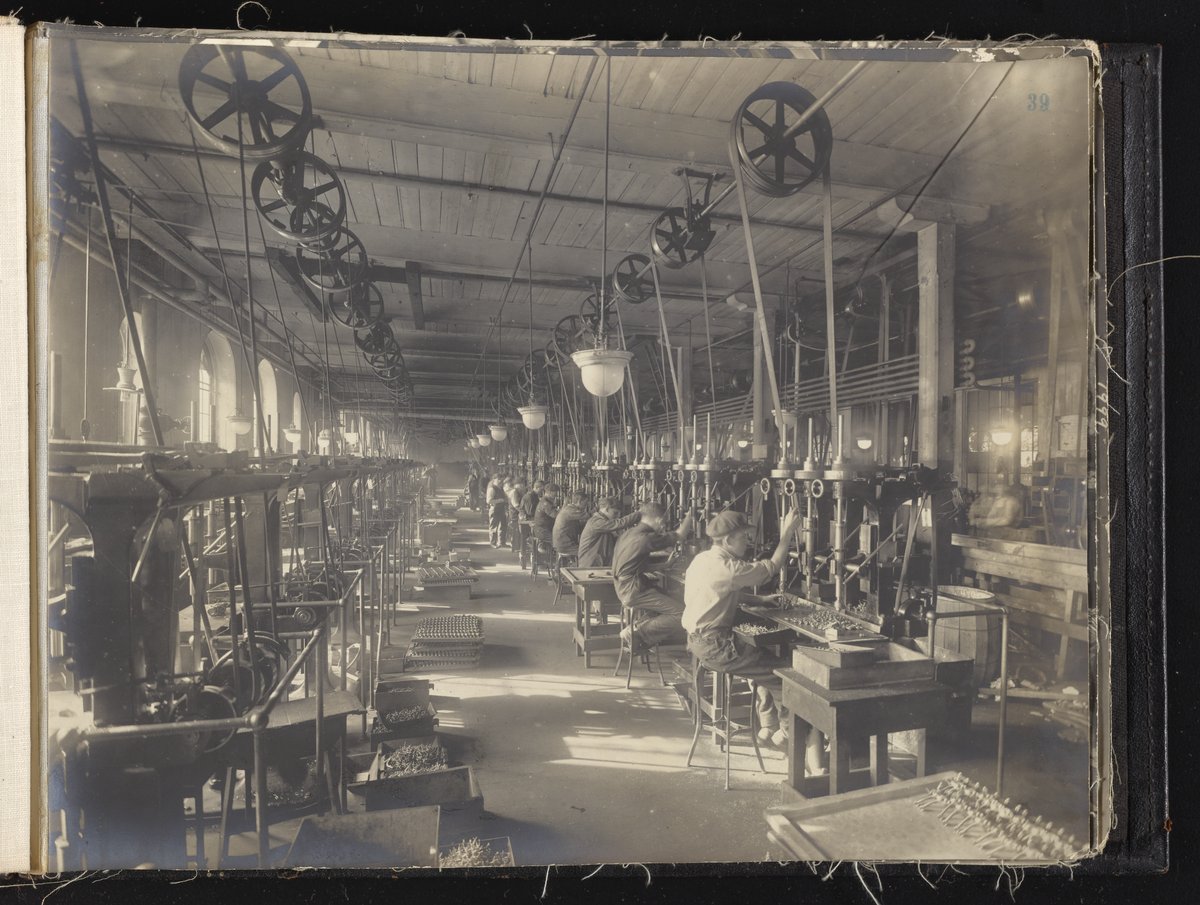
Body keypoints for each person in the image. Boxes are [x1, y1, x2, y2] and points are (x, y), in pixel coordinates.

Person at [683, 509, 826, 767]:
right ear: (728, 540)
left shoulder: (702, 560)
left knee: (763, 666)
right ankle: (788, 737)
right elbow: (771, 568)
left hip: (698, 641)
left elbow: (719, 592)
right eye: (743, 538)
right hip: (717, 646)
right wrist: (787, 533)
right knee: (789, 677)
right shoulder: (728, 567)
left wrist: (759, 599)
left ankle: (768, 726)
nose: (747, 543)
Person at [610, 501, 695, 651]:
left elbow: (634, 566)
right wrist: (691, 515)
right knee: (682, 613)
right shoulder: (645, 538)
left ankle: (636, 629)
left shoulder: (628, 533)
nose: (663, 527)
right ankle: (636, 634)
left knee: (674, 598)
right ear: (659, 520)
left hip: (623, 587)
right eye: (663, 523)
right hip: (633, 591)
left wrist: (665, 565)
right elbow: (680, 535)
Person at [577, 495, 641, 568]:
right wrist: (640, 513)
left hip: (599, 561)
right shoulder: (596, 522)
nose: (617, 516)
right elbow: (619, 523)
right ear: (607, 509)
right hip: (590, 564)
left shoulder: (604, 521)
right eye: (615, 513)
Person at [552, 491, 591, 557]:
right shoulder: (571, 510)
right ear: (579, 501)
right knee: (589, 552)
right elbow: (588, 515)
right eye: (585, 503)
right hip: (564, 545)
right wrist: (597, 509)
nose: (586, 506)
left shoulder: (569, 508)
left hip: (561, 542)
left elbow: (577, 525)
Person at [532, 483, 562, 548]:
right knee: (558, 542)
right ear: (550, 492)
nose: (556, 495)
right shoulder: (545, 503)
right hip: (542, 531)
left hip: (545, 528)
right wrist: (564, 509)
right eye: (555, 492)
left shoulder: (546, 501)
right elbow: (555, 515)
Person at [486, 474, 509, 547]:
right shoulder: (492, 488)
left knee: (503, 526)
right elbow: (489, 501)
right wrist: (500, 500)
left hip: (501, 509)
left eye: (501, 479)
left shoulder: (500, 488)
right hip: (494, 509)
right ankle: (493, 543)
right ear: (494, 479)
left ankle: (502, 542)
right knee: (494, 527)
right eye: (498, 479)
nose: (500, 481)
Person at [506, 478, 526, 550]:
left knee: (516, 530)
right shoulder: (514, 492)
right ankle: (515, 547)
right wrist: (522, 512)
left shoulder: (517, 491)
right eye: (521, 484)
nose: (522, 486)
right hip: (514, 514)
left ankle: (516, 546)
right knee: (516, 530)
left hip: (514, 513)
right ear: (516, 485)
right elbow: (516, 505)